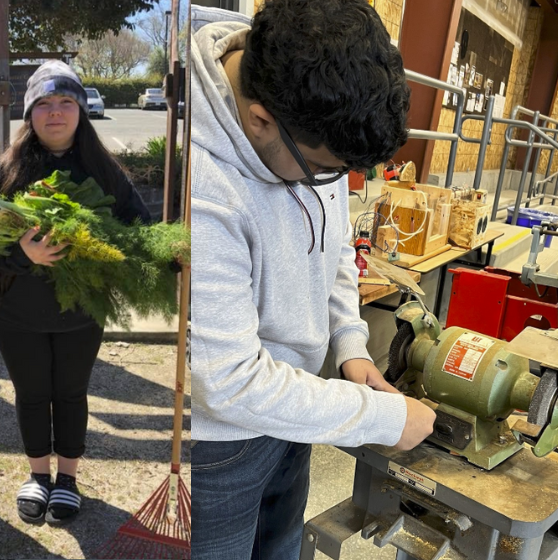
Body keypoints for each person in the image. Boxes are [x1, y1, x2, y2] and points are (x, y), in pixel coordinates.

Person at [189, 1, 437, 558]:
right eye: (326, 172)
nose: (329, 185)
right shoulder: (195, 187)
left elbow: (334, 245)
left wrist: (351, 343)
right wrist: (381, 418)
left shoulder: (313, 117)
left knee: (280, 549)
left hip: (296, 408)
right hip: (217, 446)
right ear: (260, 119)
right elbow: (227, 382)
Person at [0, 60, 151, 525]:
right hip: (15, 309)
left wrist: (165, 253)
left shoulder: (104, 171)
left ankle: (68, 480)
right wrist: (22, 255)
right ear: (29, 113)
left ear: (80, 110)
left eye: (66, 102)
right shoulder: (4, 171)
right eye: (44, 104)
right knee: (31, 392)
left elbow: (138, 230)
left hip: (80, 310)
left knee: (71, 393)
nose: (55, 113)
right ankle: (38, 475)